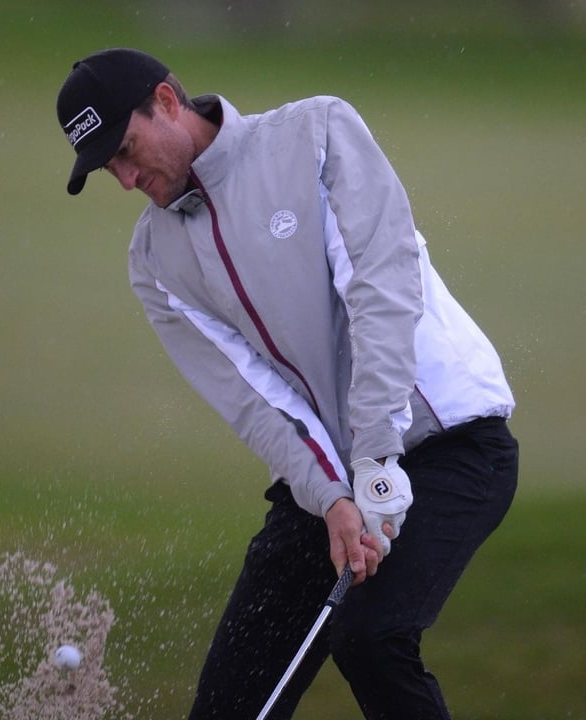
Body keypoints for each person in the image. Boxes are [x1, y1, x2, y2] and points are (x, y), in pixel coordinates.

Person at [55, 48, 519, 719]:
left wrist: (376, 456)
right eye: (107, 168)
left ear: (164, 101)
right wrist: (333, 497)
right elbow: (252, 400)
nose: (125, 180)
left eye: (125, 150)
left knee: (370, 639)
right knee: (228, 704)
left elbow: (380, 290)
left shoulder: (315, 135)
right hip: (327, 481)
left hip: (448, 442)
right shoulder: (154, 259)